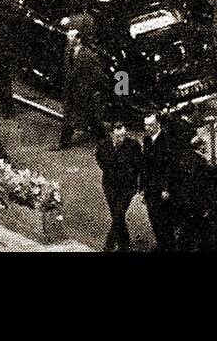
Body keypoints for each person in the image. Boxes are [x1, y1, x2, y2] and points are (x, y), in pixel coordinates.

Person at [96, 121, 143, 252]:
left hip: (127, 187)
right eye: (118, 136)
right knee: (118, 216)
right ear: (112, 134)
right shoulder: (104, 145)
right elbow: (100, 160)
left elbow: (139, 164)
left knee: (118, 213)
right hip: (110, 186)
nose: (122, 138)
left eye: (123, 135)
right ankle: (124, 243)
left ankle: (109, 245)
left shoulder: (133, 145)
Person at [58, 26, 104, 149]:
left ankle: (103, 139)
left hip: (84, 92)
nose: (68, 39)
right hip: (70, 91)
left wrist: (88, 86)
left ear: (78, 39)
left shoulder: (88, 54)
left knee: (92, 116)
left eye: (71, 37)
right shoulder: (68, 51)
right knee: (68, 116)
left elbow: (98, 73)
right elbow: (67, 70)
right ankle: (64, 143)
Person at [141, 114, 180, 251]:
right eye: (145, 125)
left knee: (165, 219)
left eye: (150, 125)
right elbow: (145, 165)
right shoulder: (146, 140)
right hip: (150, 186)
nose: (147, 128)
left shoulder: (167, 140)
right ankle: (161, 244)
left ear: (157, 124)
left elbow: (170, 166)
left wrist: (166, 188)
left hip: (162, 187)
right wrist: (142, 188)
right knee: (153, 217)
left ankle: (170, 245)